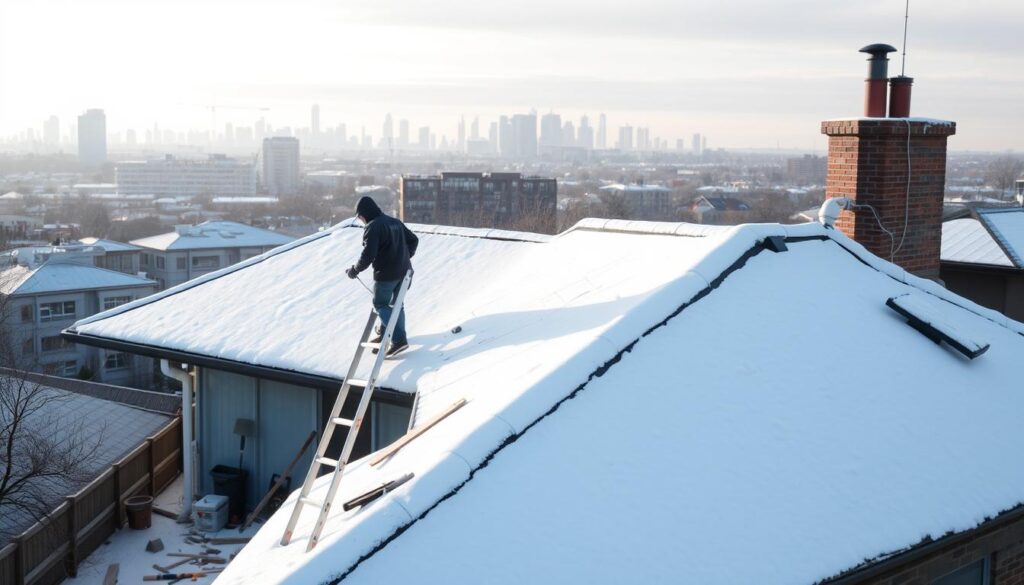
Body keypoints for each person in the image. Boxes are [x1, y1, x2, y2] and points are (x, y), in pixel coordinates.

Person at [346, 196, 418, 357]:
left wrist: (354, 270)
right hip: (405, 272)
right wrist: (404, 257)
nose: (360, 220)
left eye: (359, 217)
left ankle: (399, 340)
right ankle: (386, 332)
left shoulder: (373, 227)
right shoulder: (394, 222)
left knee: (380, 304)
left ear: (363, 214)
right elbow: (414, 240)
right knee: (397, 304)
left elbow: (368, 255)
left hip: (386, 275)